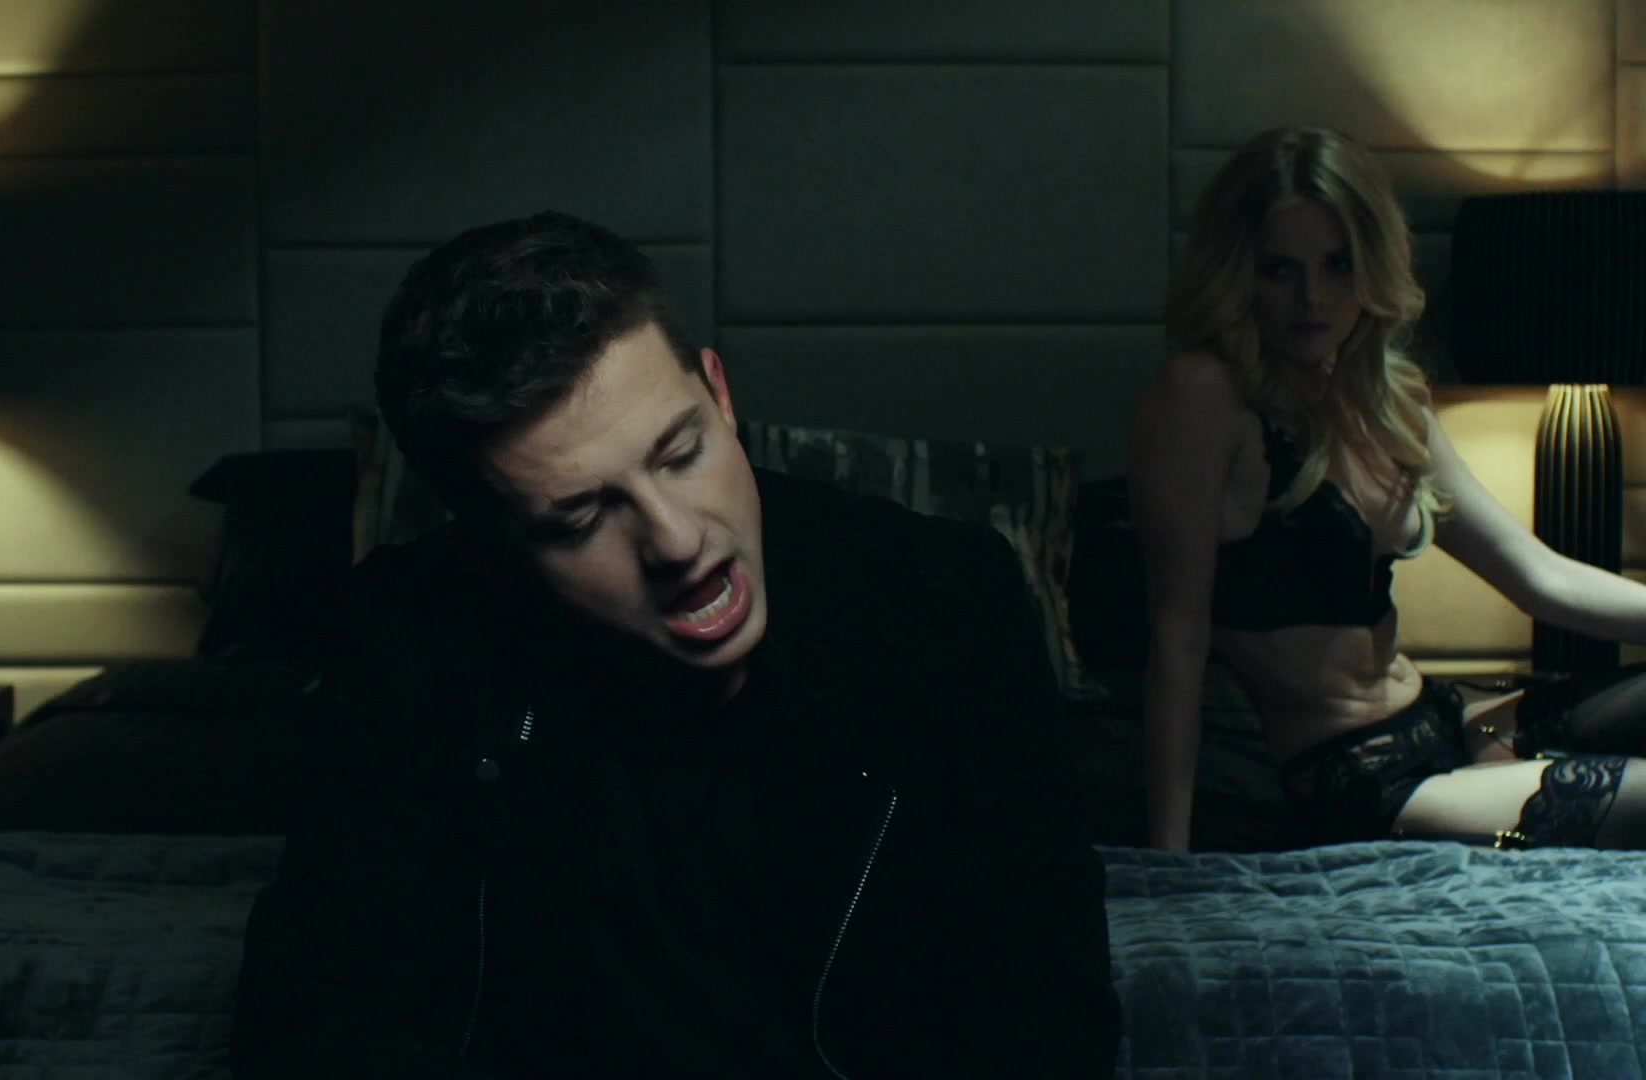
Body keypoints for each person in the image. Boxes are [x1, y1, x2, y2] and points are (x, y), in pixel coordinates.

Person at [231, 211, 1121, 1078]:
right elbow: (318, 1024)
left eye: (680, 453)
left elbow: (1045, 1019)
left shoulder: (941, 602)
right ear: (493, 548)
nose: (678, 541)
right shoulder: (407, 642)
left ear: (720, 395)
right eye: (582, 517)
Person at [1129, 126, 1646, 854]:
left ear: (1372, 264)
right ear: (1237, 272)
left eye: (1338, 265)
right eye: (1279, 270)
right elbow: (1177, 640)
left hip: (1453, 721)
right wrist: (1169, 860)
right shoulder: (1203, 397)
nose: (1312, 298)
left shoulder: (1387, 402)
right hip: (1359, 778)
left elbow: (1539, 576)